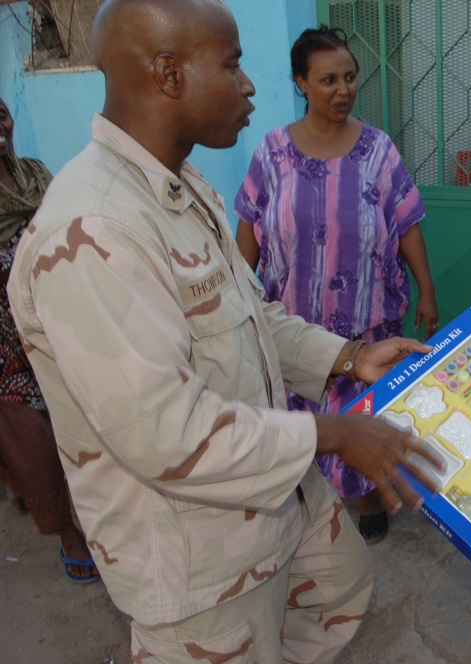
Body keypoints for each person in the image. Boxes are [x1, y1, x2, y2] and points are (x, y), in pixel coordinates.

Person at [7, 1, 442, 662]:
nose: (249, 85)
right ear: (169, 74)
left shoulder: (181, 188)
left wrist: (351, 357)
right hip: (195, 561)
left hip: (273, 496)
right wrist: (336, 434)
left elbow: (253, 312)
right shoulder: (93, 232)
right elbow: (164, 432)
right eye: (233, 63)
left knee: (341, 591)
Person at [234, 26, 438, 543]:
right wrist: (237, 298)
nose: (342, 89)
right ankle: (307, 500)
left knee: (363, 420)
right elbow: (248, 227)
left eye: (349, 77)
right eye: (328, 79)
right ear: (302, 82)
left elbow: (407, 221)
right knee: (300, 422)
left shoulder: (378, 150)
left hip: (367, 324)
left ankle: (368, 495)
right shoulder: (272, 153)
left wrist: (428, 290)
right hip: (293, 322)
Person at [0, 96, 99, 584]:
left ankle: (98, 520)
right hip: (5, 346)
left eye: (1, 111)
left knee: (79, 428)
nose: (0, 124)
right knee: (33, 445)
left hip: (58, 321)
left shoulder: (36, 173)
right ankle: (68, 534)